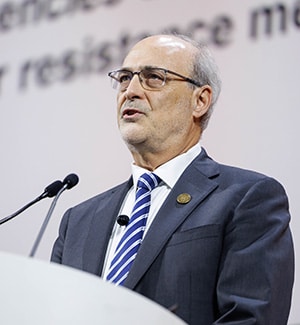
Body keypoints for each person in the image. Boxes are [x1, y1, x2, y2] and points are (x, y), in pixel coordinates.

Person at [51, 33, 294, 324]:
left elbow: (250, 318)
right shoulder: (78, 221)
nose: (131, 90)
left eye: (154, 77)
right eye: (125, 78)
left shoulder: (247, 198)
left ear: (200, 100)